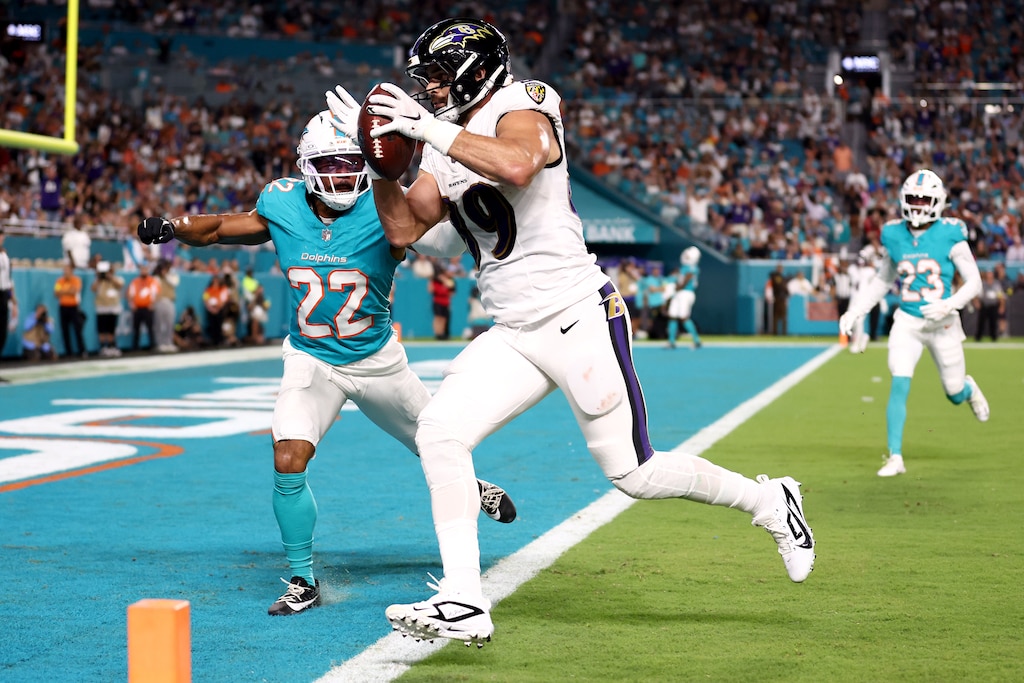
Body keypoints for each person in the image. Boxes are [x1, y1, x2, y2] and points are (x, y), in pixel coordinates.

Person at [327, 17, 815, 647]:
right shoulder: (448, 147)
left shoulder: (522, 101)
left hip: (578, 315)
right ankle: (463, 600)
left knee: (634, 473)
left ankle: (770, 501)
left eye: (440, 78)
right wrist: (380, 166)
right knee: (440, 431)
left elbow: (522, 162)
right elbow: (402, 230)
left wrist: (427, 131)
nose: (430, 92)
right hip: (514, 330)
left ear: (474, 69)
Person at [137, 109, 517, 617]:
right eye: (330, 163)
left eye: (350, 162)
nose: (341, 174)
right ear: (306, 168)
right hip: (312, 359)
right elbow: (224, 229)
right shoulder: (282, 203)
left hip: (378, 361)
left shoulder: (387, 212)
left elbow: (440, 231)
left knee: (435, 443)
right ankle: (301, 577)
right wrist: (173, 226)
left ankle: (472, 487)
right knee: (288, 457)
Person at [840, 169, 990, 478]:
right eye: (913, 199)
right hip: (907, 321)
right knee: (899, 379)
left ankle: (969, 389)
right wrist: (856, 311)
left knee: (952, 391)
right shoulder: (894, 233)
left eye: (924, 199)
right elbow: (883, 280)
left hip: (943, 322)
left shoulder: (950, 232)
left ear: (937, 201)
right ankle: (895, 456)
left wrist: (949, 304)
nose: (918, 205)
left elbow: (974, 282)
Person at [666, 246, 702, 349]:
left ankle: (696, 340)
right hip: (680, 293)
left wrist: (678, 286)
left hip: (686, 292)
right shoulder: (683, 267)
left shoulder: (692, 267)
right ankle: (671, 341)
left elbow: (688, 277)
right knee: (672, 315)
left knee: (683, 317)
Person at [53, 262, 87, 358]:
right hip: (63, 307)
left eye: (67, 270)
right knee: (65, 331)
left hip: (74, 307)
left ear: (71, 271)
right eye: (64, 270)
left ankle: (82, 351)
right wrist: (67, 291)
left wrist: (63, 292)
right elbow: (56, 293)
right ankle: (69, 352)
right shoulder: (59, 281)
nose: (65, 272)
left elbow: (74, 291)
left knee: (78, 330)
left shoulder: (76, 280)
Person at [92, 261, 124, 357]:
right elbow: (93, 288)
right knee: (102, 328)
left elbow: (119, 285)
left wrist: (110, 277)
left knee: (111, 328)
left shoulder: (116, 279)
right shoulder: (99, 281)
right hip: (102, 307)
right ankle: (103, 347)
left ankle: (111, 346)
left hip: (112, 307)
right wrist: (99, 278)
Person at [127, 262, 159, 352]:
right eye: (142, 269)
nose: (143, 271)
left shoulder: (152, 281)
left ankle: (152, 345)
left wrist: (152, 304)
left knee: (150, 327)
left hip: (148, 308)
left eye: (145, 269)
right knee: (136, 328)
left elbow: (155, 293)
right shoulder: (135, 281)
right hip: (138, 308)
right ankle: (135, 346)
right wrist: (132, 305)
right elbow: (130, 294)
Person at [0, 228, 19, 370]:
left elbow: (8, 280)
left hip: (3, 295)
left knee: (2, 333)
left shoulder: (5, 255)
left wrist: (13, 299)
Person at [974, 269, 1004, 342]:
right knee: (981, 322)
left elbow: (1000, 295)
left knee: (993, 322)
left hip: (993, 305)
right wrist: (976, 302)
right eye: (988, 274)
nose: (989, 275)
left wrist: (1002, 306)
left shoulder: (996, 284)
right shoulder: (982, 284)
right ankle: (978, 337)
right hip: (984, 305)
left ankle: (994, 337)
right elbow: (977, 294)